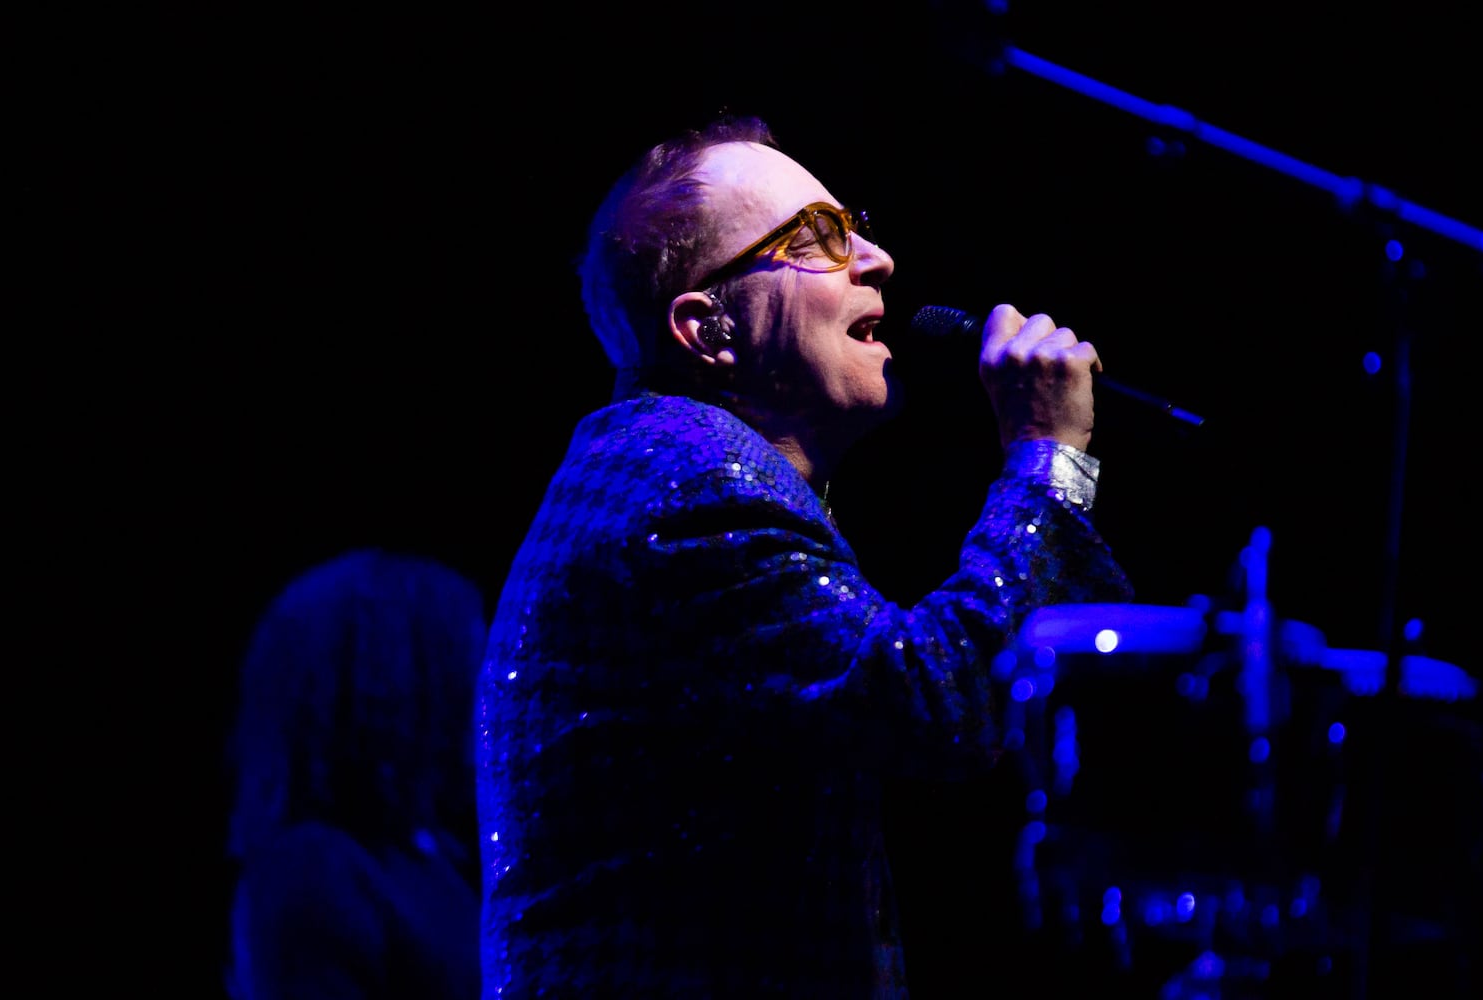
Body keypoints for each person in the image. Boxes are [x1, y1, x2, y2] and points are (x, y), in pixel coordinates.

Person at [475, 111, 1135, 997]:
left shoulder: (687, 467)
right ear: (708, 330)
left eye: (853, 227)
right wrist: (1044, 459)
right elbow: (940, 706)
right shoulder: (687, 474)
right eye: (817, 239)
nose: (875, 259)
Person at [224, 548, 488, 1000]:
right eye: (464, 668)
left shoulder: (422, 859)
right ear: (400, 687)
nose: (486, 693)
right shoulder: (313, 868)